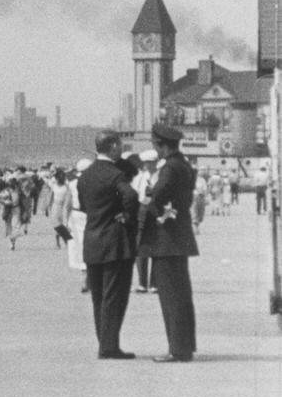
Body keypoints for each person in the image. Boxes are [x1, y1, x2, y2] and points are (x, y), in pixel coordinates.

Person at [76, 130, 139, 360]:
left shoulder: (85, 175)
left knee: (99, 297)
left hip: (92, 241)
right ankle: (109, 347)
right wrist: (126, 215)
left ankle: (104, 343)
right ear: (112, 146)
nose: (121, 149)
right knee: (115, 296)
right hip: (115, 242)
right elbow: (131, 196)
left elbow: (83, 205)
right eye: (120, 145)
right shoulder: (115, 174)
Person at [144, 123, 199, 362]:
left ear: (161, 145)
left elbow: (158, 197)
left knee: (171, 296)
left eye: (156, 145)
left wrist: (148, 204)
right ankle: (184, 346)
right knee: (181, 295)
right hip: (180, 238)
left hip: (167, 239)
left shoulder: (169, 168)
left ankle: (177, 349)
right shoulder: (184, 165)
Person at [131, 149, 159, 293]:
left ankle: (154, 283)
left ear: (155, 162)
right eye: (146, 163)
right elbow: (133, 196)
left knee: (156, 249)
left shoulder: (160, 176)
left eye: (150, 162)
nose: (147, 165)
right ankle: (142, 283)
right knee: (140, 248)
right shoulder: (139, 178)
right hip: (141, 214)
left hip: (157, 215)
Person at [66, 160, 90, 292]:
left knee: (78, 246)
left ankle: (85, 278)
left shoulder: (72, 183)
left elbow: (67, 203)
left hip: (75, 215)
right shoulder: (94, 182)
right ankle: (88, 278)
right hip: (89, 215)